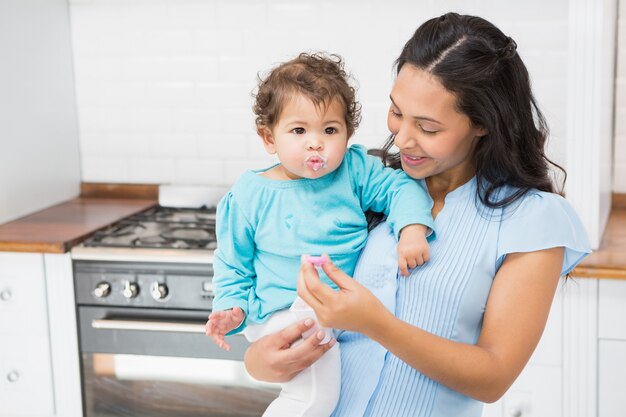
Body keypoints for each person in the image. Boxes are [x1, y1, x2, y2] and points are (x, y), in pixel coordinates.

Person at [243, 12, 592, 417]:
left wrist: (376, 323)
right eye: (396, 112)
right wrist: (261, 362)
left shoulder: (532, 220)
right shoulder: (368, 187)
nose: (402, 138)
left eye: (427, 127)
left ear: (483, 124)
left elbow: (494, 376)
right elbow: (283, 325)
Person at [205, 52, 435, 417]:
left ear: (347, 134)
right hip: (283, 313)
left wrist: (411, 229)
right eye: (299, 131)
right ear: (269, 137)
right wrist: (231, 309)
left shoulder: (355, 169)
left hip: (337, 313)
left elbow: (402, 189)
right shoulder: (250, 195)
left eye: (330, 130)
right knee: (312, 400)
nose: (316, 143)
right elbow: (232, 265)